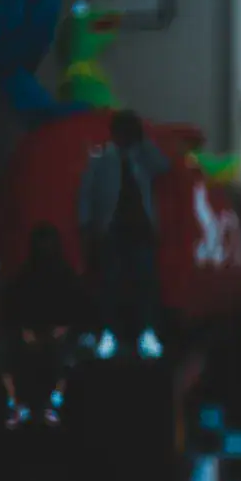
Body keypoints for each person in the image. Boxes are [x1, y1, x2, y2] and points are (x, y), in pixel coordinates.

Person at [78, 109, 170, 359]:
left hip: (141, 229)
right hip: (113, 229)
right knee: (110, 283)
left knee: (146, 283)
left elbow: (163, 166)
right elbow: (86, 192)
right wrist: (86, 224)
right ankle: (109, 334)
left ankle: (146, 333)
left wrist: (144, 142)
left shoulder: (143, 158)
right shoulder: (102, 158)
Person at [1, 223, 92, 427]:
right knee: (5, 349)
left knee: (71, 351)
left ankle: (55, 403)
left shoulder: (66, 275)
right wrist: (24, 331)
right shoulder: (24, 275)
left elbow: (81, 310)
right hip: (29, 332)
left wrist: (65, 328)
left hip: (59, 334)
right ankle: (15, 405)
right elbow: (11, 309)